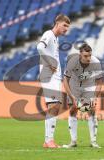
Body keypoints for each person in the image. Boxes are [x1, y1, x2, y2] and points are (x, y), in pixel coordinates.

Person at [37, 14, 70, 148]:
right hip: (49, 75)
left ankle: (49, 140)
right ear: (57, 23)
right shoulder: (49, 34)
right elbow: (39, 47)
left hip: (54, 76)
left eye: (68, 26)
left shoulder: (55, 38)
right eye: (64, 25)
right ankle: (48, 140)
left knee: (55, 106)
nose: (66, 29)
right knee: (54, 106)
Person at [63, 43, 104, 148]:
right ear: (80, 54)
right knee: (73, 110)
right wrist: (72, 97)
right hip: (74, 84)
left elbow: (99, 83)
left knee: (92, 109)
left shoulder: (96, 63)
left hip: (89, 85)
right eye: (86, 56)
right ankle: (73, 141)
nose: (88, 58)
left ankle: (93, 141)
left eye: (90, 55)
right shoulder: (72, 62)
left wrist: (95, 98)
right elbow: (65, 81)